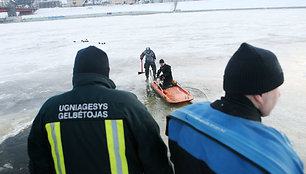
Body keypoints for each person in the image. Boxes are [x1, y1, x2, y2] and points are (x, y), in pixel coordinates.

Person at [28, 46, 173, 174]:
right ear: (105, 72)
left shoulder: (50, 109)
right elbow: (156, 159)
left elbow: (38, 162)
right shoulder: (128, 105)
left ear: (75, 73)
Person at [166, 43, 304, 174]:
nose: (279, 94)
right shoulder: (281, 158)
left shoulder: (179, 120)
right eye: (276, 88)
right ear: (260, 95)